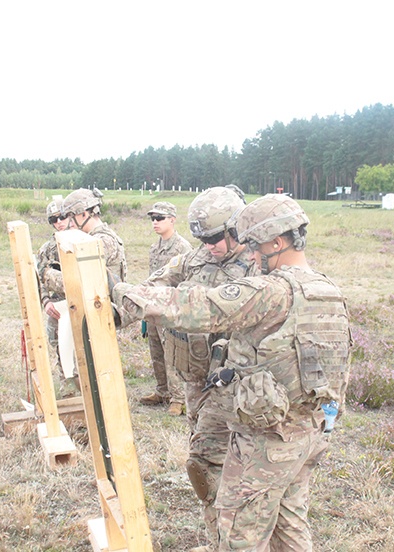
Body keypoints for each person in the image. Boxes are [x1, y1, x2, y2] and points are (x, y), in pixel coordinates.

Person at [113, 194, 351, 552]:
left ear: (277, 241)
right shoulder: (324, 289)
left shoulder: (271, 291)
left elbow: (201, 307)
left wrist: (119, 289)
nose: (251, 254)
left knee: (240, 535)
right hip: (308, 430)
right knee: (289, 523)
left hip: (267, 441)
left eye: (255, 245)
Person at [136, 186, 257, 549]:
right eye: (202, 239)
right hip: (196, 380)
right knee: (204, 467)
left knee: (245, 471)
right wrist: (122, 304)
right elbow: (155, 284)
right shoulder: (194, 260)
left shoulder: (260, 264)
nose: (210, 246)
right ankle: (219, 536)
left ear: (237, 228)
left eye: (217, 238)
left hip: (242, 388)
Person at [141, 201, 192, 416]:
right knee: (156, 351)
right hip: (154, 308)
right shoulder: (155, 248)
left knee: (173, 354)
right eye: (153, 218)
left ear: (172, 219)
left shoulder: (183, 248)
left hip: (172, 309)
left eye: (160, 218)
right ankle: (162, 391)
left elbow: (187, 281)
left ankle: (179, 398)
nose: (155, 222)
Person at [35, 199, 80, 396]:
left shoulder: (82, 241)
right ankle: (67, 384)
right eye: (54, 219)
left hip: (81, 305)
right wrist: (46, 302)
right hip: (58, 308)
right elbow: (40, 279)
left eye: (63, 217)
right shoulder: (47, 249)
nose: (59, 222)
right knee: (60, 346)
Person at [61, 188, 127, 282]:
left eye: (72, 217)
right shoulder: (96, 237)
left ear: (84, 214)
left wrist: (48, 274)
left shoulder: (101, 241)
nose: (70, 223)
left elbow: (80, 280)